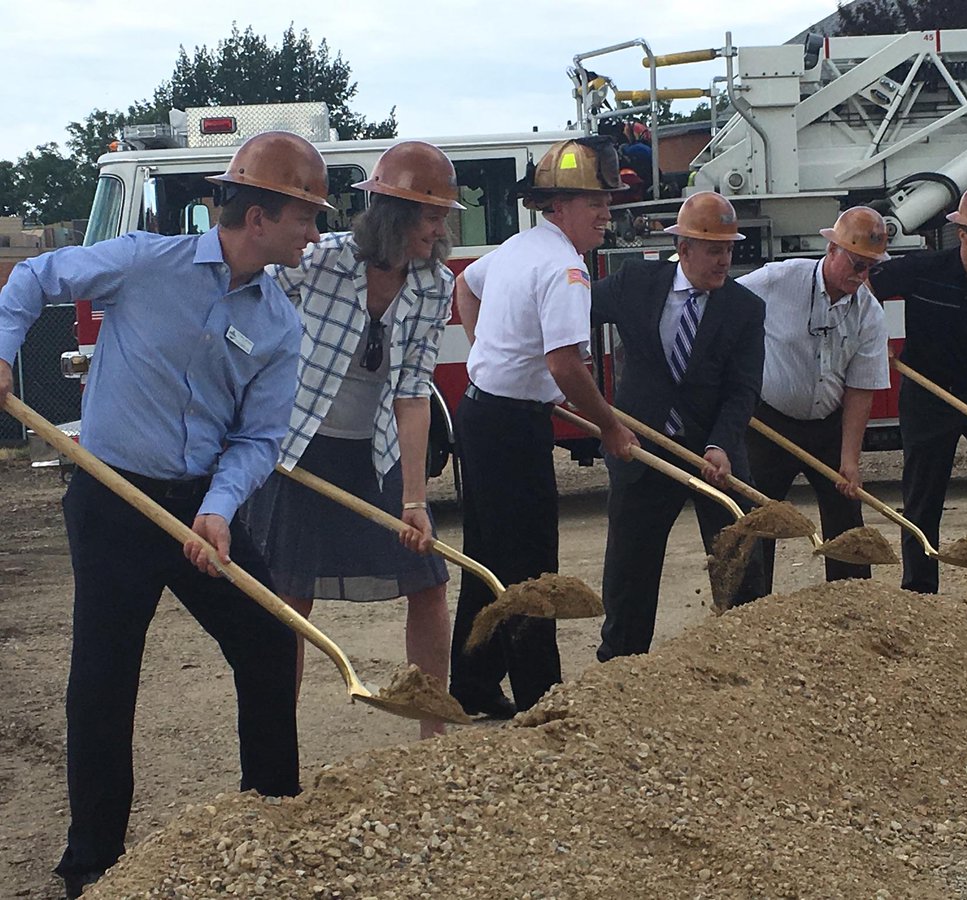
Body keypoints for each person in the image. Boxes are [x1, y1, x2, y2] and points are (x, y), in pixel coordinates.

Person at [0, 131, 332, 898]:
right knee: (105, 676)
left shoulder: (280, 324)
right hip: (112, 495)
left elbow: (258, 438)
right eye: (306, 217)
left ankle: (271, 817)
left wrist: (219, 510)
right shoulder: (147, 262)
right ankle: (93, 864)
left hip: (196, 506)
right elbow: (31, 279)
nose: (315, 235)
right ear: (258, 216)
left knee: (268, 636)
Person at [241, 141, 461, 739]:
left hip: (376, 450)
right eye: (430, 216)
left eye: (443, 217)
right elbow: (253, 297)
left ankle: (431, 731)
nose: (440, 229)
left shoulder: (434, 285)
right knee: (289, 596)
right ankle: (275, 740)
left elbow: (413, 392)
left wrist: (414, 500)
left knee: (428, 581)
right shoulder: (320, 260)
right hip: (300, 450)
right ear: (391, 214)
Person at [449, 136, 638, 716]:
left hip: (483, 416)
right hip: (510, 427)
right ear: (556, 206)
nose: (607, 211)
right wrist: (608, 427)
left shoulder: (517, 246)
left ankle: (473, 680)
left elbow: (464, 287)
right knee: (531, 568)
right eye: (594, 202)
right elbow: (566, 363)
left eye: (607, 200)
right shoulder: (564, 267)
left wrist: (492, 353)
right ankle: (542, 700)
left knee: (487, 559)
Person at [592, 191, 766, 662]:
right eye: (714, 249)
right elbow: (571, 309)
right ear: (683, 248)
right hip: (640, 449)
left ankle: (745, 657)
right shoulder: (633, 284)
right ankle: (621, 665)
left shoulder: (745, 309)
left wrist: (722, 444)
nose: (724, 259)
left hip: (714, 452)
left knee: (741, 554)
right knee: (630, 566)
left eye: (729, 249)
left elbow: (743, 389)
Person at [869, 183, 967, 594]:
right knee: (923, 493)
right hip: (926, 393)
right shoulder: (925, 269)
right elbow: (867, 284)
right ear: (962, 234)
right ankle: (920, 589)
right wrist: (874, 337)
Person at [736, 206, 891, 588]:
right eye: (856, 263)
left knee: (846, 519)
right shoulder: (778, 279)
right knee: (756, 518)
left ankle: (850, 601)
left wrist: (850, 459)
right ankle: (747, 610)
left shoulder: (869, 314)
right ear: (832, 249)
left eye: (869, 267)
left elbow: (861, 389)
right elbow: (725, 306)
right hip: (768, 422)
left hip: (829, 426)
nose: (861, 275)